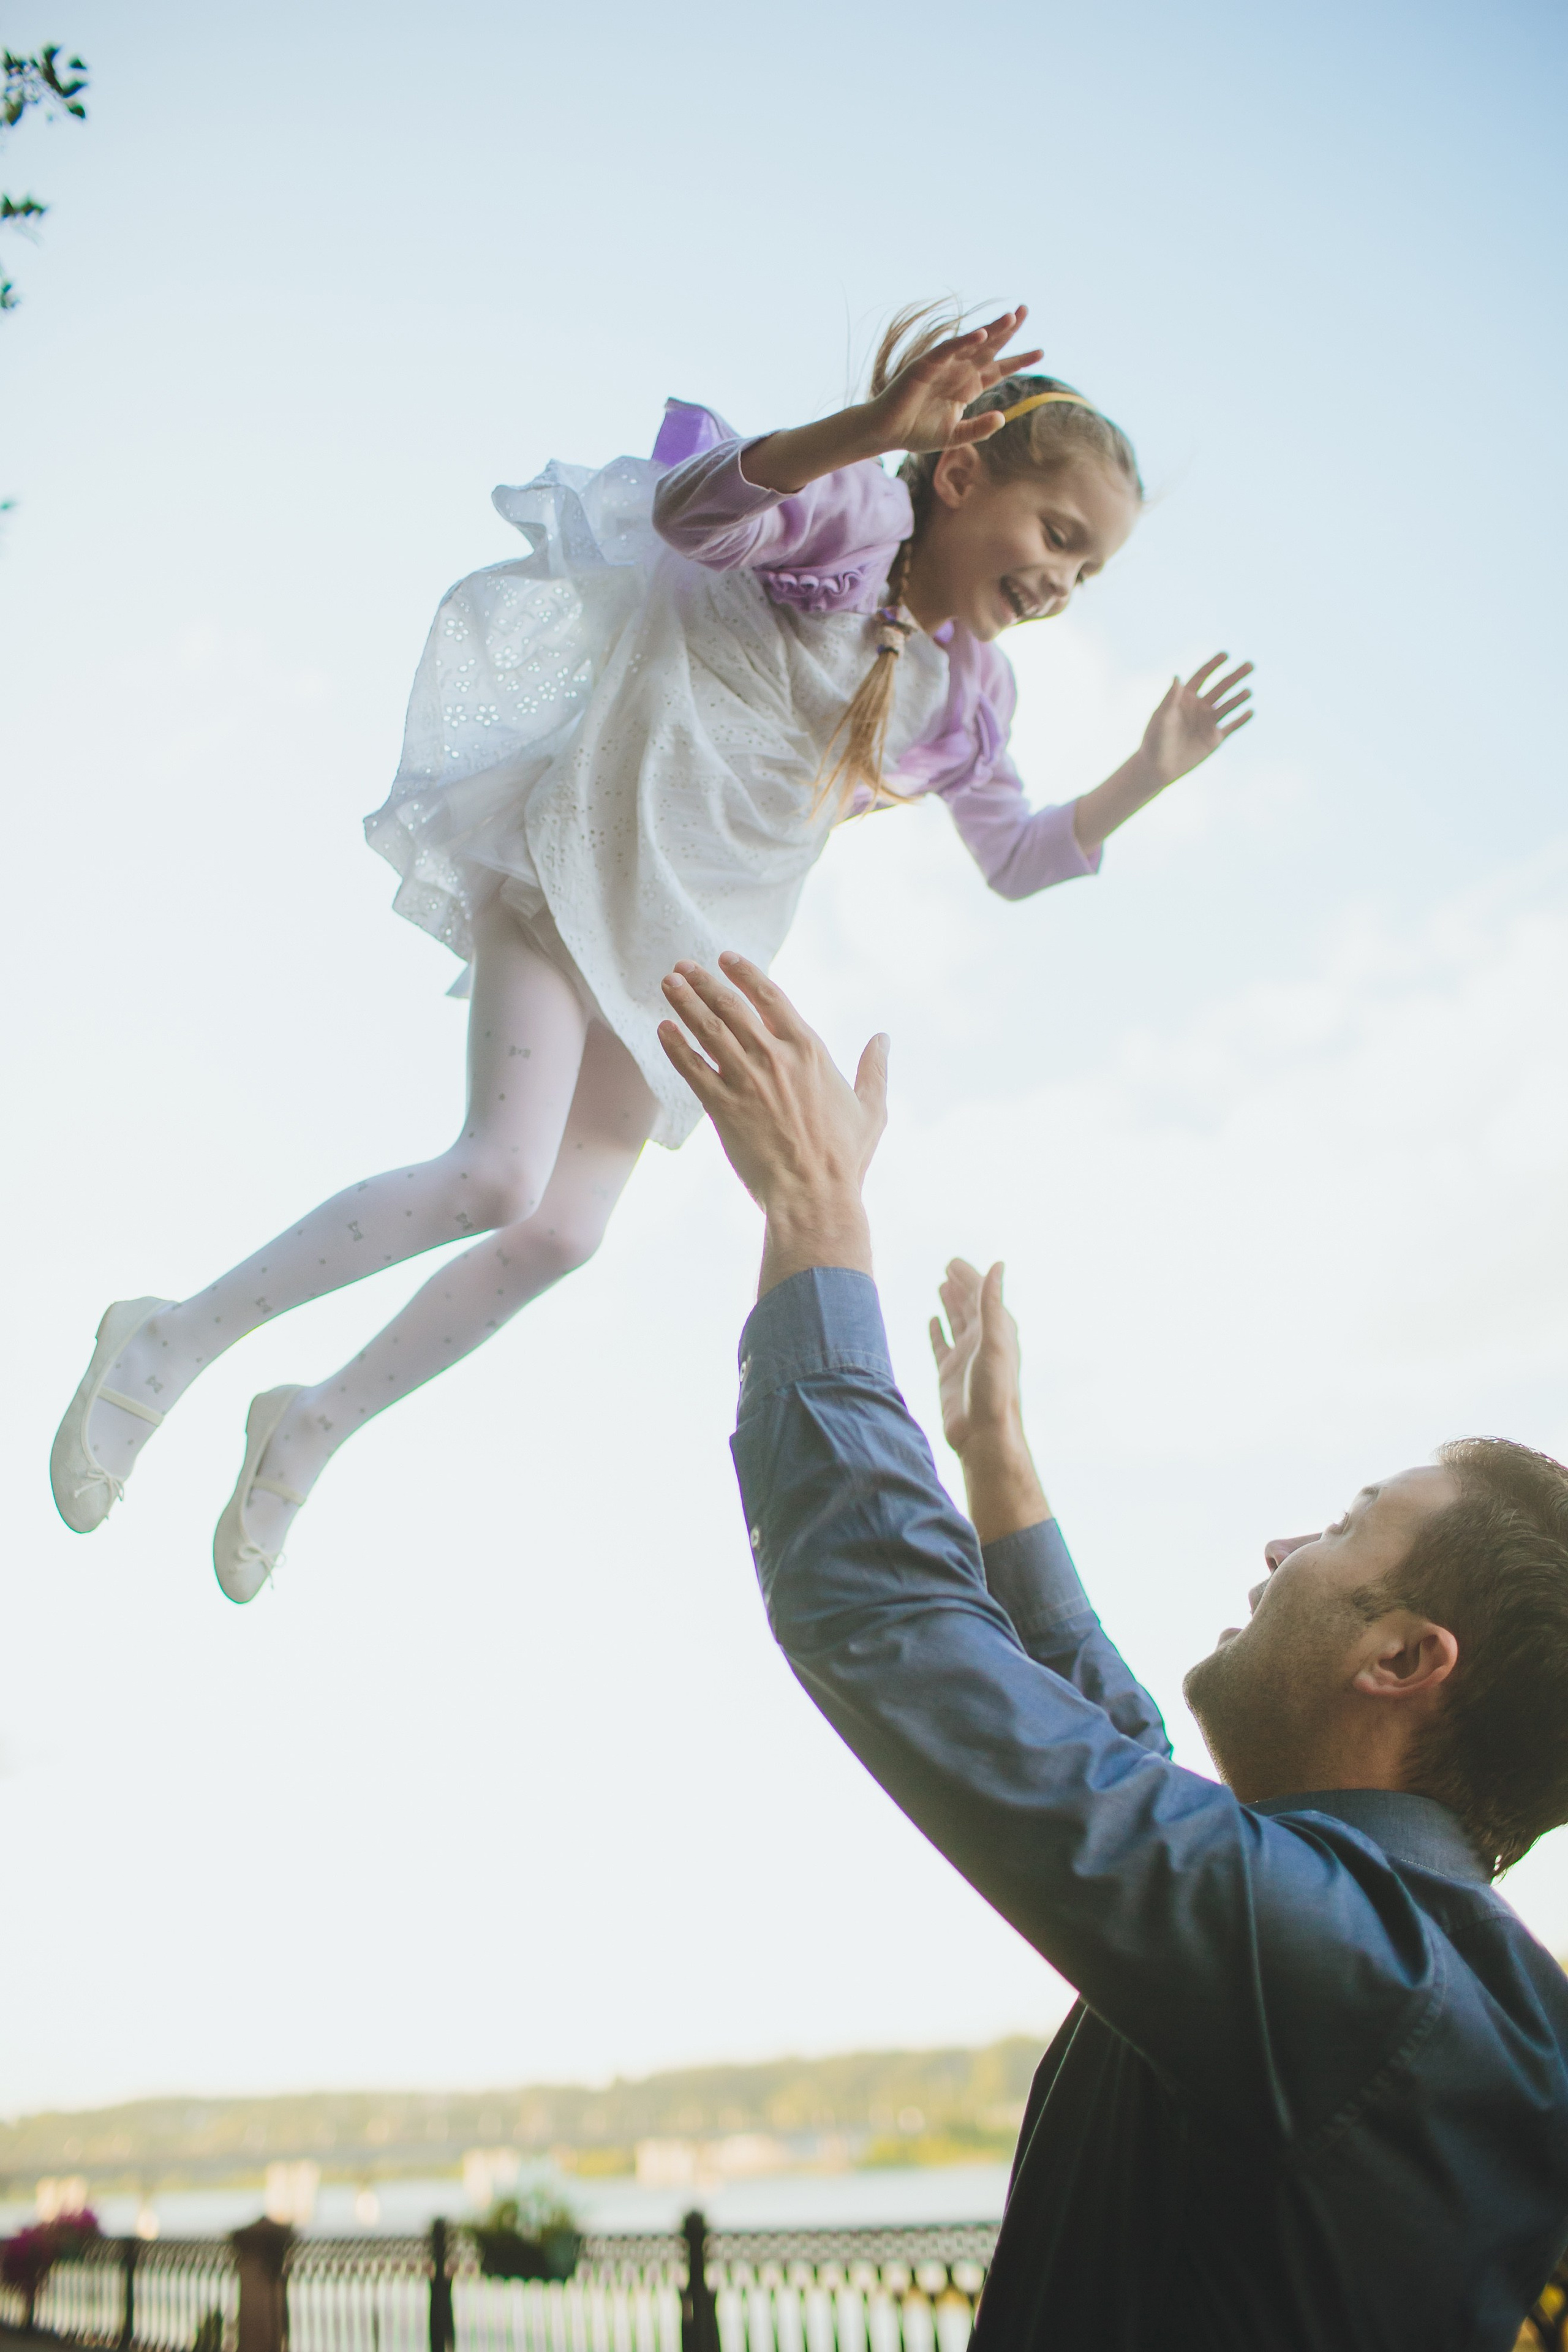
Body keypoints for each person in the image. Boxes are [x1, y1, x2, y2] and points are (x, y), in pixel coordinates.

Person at [51, 303, 1253, 1601]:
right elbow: (695, 514)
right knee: (496, 1176)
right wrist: (866, 429)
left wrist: (1143, 772)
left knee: (563, 1233)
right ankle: (167, 1338)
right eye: (1055, 535)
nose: (1061, 581)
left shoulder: (968, 692)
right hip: (583, 856)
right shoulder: (851, 519)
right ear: (959, 473)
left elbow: (1015, 855)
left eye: (1089, 571)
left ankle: (311, 1419)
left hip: (687, 954)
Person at [655, 951, 1568, 2352]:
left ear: (1401, 1659)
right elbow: (1119, 1779)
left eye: (1341, 1527)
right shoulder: (1378, 1958)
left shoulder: (1353, 1975)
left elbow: (897, 1632)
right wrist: (998, 1470)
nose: (1279, 1551)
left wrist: (813, 1208)